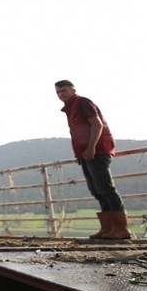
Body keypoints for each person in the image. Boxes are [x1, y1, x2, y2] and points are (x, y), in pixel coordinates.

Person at [54, 79, 131, 240]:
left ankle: (122, 229)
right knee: (96, 190)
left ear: (73, 90)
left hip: (98, 150)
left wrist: (91, 147)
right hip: (85, 153)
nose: (61, 94)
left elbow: (97, 124)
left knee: (106, 188)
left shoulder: (83, 102)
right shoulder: (70, 108)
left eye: (64, 90)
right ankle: (108, 228)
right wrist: (82, 152)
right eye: (58, 92)